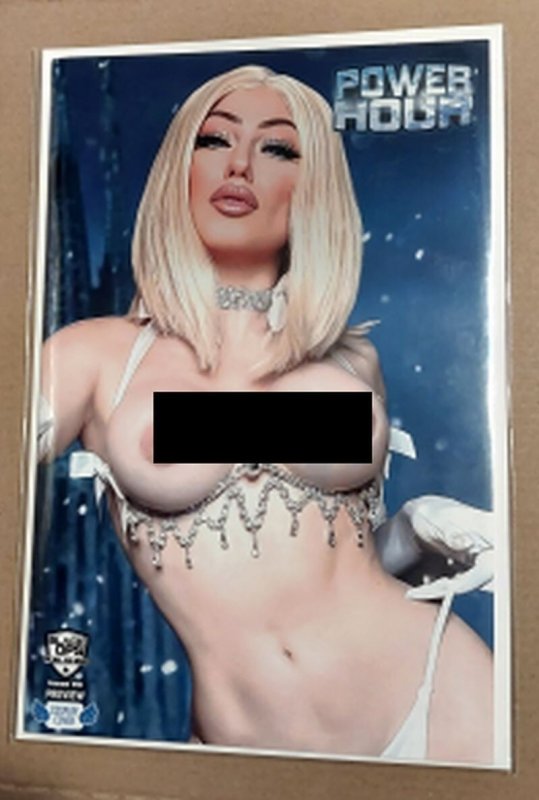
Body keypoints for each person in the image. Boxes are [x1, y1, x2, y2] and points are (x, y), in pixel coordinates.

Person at [38, 65, 493, 763]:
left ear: (312, 187)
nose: (240, 165)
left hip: (442, 695)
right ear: (181, 168)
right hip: (244, 748)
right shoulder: (93, 356)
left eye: (277, 147)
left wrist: (411, 533)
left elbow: (329, 570)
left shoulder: (352, 361)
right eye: (215, 140)